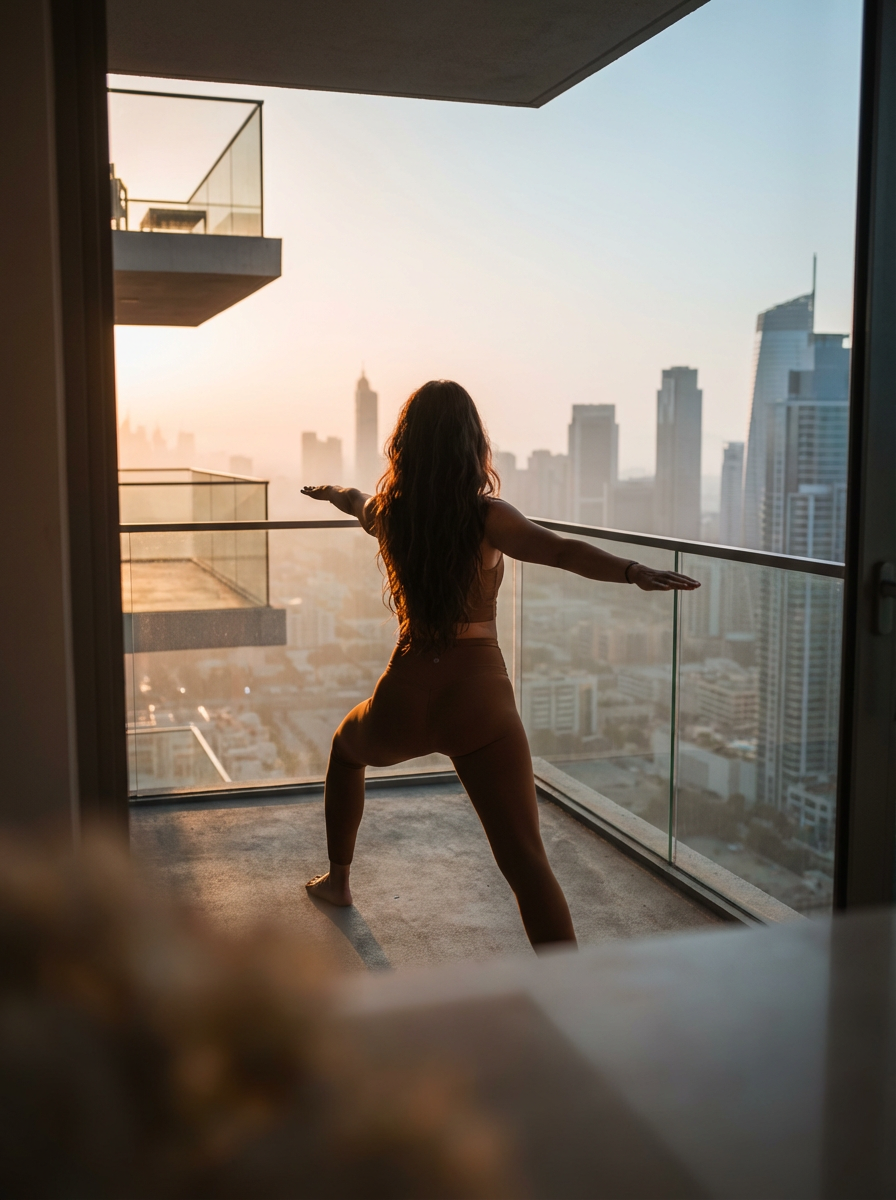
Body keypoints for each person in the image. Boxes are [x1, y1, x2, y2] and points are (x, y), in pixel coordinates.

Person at [302, 380, 699, 950]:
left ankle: (339, 882)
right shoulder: (486, 516)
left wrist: (327, 490)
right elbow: (560, 550)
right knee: (526, 862)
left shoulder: (390, 515)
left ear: (404, 446)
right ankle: (567, 995)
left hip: (408, 687)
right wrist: (633, 570)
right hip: (480, 698)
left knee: (346, 751)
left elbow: (354, 499)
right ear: (473, 445)